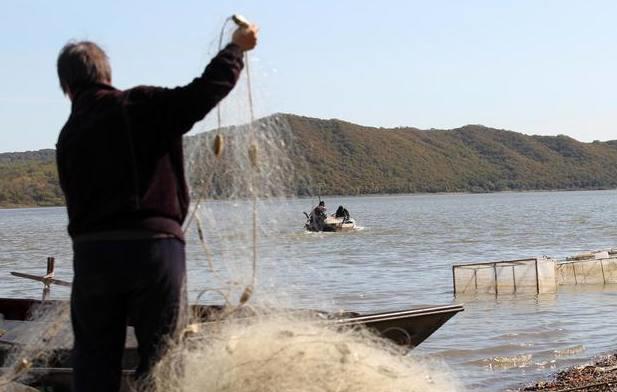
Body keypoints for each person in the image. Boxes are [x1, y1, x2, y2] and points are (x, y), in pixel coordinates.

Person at [55, 24, 258, 392]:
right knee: (162, 360)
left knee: (94, 361)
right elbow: (201, 94)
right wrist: (235, 51)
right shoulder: (139, 104)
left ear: (66, 88)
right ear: (107, 74)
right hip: (154, 250)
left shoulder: (69, 135)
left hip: (92, 257)